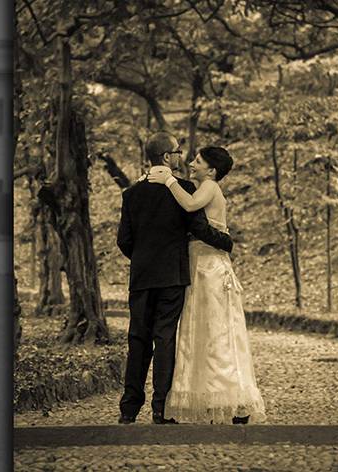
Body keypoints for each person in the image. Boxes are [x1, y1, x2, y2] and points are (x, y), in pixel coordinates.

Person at [116, 131, 234, 425]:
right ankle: (160, 408)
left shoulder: (131, 194)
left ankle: (128, 409)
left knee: (138, 340)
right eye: (178, 152)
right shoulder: (183, 189)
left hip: (142, 276)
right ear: (167, 157)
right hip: (172, 275)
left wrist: (143, 259)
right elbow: (200, 227)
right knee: (165, 338)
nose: (182, 157)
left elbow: (124, 240)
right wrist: (226, 241)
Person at [147, 146, 266, 424]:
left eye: (198, 161)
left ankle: (233, 399)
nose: (191, 163)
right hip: (198, 262)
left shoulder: (210, 187)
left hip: (210, 265)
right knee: (199, 331)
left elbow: (189, 205)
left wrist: (169, 180)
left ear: (211, 170)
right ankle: (210, 397)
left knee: (216, 331)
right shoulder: (207, 186)